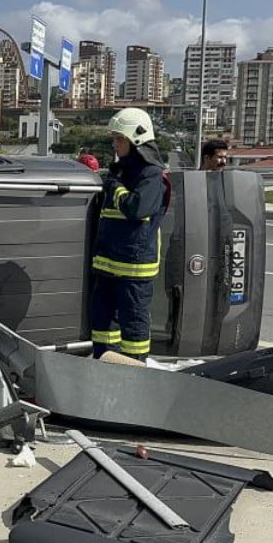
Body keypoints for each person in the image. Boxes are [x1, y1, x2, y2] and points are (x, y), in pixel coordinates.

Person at [89, 107, 170, 361]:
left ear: (136, 139)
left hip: (133, 268)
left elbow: (137, 209)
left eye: (119, 139)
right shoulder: (121, 172)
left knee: (133, 323)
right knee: (103, 321)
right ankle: (104, 361)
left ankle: (135, 369)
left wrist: (116, 189)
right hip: (108, 263)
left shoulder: (151, 175)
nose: (115, 144)